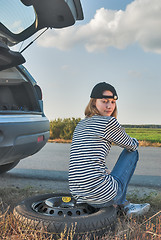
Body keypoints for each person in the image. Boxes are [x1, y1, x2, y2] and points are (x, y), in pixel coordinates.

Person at [69, 82, 150, 217]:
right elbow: (132, 145)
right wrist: (136, 141)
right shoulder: (108, 122)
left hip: (78, 193)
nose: (109, 106)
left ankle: (120, 203)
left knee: (103, 169)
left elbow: (89, 157)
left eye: (112, 102)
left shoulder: (81, 123)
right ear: (94, 102)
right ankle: (123, 204)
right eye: (104, 101)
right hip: (101, 196)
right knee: (132, 153)